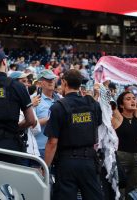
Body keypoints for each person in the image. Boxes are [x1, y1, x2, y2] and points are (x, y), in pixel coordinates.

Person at [44, 69, 103, 200]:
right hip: (89, 160)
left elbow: (52, 142)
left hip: (67, 163)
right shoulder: (93, 104)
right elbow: (98, 126)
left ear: (64, 82)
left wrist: (45, 167)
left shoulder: (58, 107)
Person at [112, 90, 137, 198]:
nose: (133, 101)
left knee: (135, 193)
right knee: (120, 192)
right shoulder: (117, 117)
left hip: (136, 159)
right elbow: (107, 100)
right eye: (128, 99)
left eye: (134, 98)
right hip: (121, 158)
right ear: (121, 104)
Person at [9, 71, 41, 166]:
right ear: (14, 84)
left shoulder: (28, 102)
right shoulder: (9, 102)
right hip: (20, 152)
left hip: (34, 152)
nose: (27, 84)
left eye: (27, 81)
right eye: (23, 81)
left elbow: (37, 129)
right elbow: (15, 127)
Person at [34, 70, 60, 159]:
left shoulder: (60, 99)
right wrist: (49, 119)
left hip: (57, 147)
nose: (52, 81)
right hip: (39, 148)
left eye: (53, 79)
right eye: (48, 79)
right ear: (40, 83)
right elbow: (29, 124)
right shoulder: (34, 99)